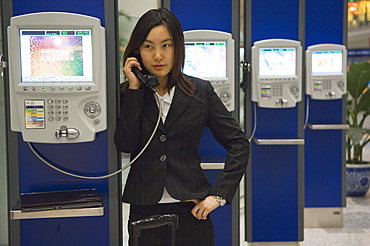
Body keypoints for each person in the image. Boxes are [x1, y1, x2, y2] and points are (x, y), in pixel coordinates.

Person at [114, 7, 249, 246]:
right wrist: (135, 90)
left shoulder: (200, 92)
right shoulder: (128, 95)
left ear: (178, 48)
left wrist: (219, 195)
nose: (158, 56)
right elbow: (125, 144)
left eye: (166, 46)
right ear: (136, 51)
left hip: (192, 210)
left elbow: (238, 143)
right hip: (145, 210)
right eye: (148, 47)